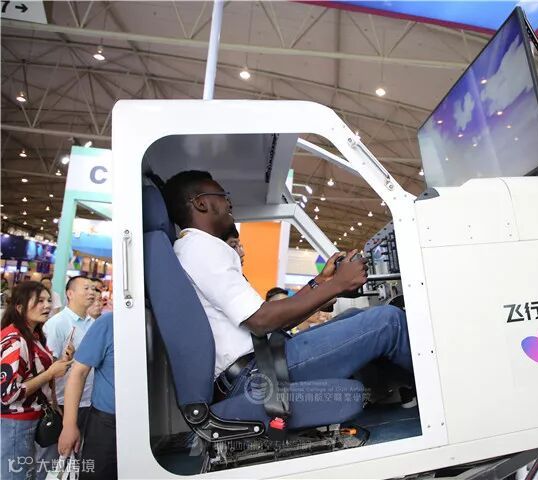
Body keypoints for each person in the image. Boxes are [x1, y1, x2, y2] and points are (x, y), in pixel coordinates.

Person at [162, 170, 413, 405]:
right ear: (201, 203)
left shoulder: (195, 248)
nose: (229, 203)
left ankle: (395, 397)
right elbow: (262, 321)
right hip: (256, 375)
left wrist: (322, 282)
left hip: (262, 362)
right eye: (222, 195)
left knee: (356, 314)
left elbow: (272, 318)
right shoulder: (201, 248)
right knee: (388, 322)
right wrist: (338, 284)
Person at [1, 282, 73, 480]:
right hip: (16, 423)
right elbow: (8, 393)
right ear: (19, 307)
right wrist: (50, 374)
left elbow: (34, 371)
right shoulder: (15, 340)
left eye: (49, 300)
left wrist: (60, 363)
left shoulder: (33, 335)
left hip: (32, 418)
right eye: (40, 301)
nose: (47, 305)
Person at [39, 276, 96, 465]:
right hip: (63, 404)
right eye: (86, 288)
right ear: (70, 294)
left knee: (78, 458)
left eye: (93, 289)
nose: (92, 292)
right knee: (55, 460)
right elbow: (49, 366)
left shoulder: (94, 324)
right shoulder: (57, 324)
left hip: (89, 401)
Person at [58, 313, 116, 480]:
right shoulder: (108, 323)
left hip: (148, 422)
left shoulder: (163, 320)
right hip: (107, 423)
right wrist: (69, 425)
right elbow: (79, 373)